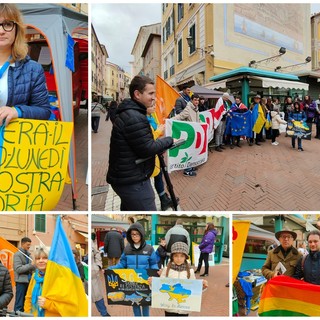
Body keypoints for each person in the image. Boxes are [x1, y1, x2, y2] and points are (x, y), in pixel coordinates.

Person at [107, 75, 173, 211]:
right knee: (148, 209)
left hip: (127, 177)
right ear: (137, 94)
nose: (154, 97)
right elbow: (148, 148)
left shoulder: (132, 114)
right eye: (150, 93)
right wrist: (170, 140)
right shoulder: (135, 117)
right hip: (132, 180)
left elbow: (141, 144)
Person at [0, 4, 51, 126]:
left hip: (11, 141)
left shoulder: (33, 69)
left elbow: (44, 111)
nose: (1, 31)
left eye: (7, 24)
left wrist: (17, 111)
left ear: (17, 29)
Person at [109, 222, 158, 317]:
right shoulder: (127, 249)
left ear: (142, 234)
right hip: (131, 282)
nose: (134, 236)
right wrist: (110, 269)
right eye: (132, 234)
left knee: (145, 305)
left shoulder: (149, 249)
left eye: (137, 234)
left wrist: (153, 276)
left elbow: (153, 264)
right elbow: (122, 264)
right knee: (135, 304)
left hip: (145, 282)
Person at [159, 242, 208, 316]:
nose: (179, 259)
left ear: (185, 257)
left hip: (184, 308)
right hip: (170, 307)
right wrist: (153, 283)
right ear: (172, 257)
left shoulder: (190, 271)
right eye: (176, 256)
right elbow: (160, 285)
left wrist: (202, 286)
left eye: (182, 256)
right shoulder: (167, 270)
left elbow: (194, 288)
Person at [146, 104, 174, 210]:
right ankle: (161, 200)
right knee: (151, 177)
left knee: (159, 175)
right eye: (151, 105)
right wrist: (158, 131)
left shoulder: (152, 116)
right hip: (150, 153)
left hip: (156, 150)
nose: (153, 107)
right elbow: (148, 138)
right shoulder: (143, 120)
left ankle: (163, 199)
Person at [24, 247, 60, 316]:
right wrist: (27, 314)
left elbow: (66, 306)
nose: (41, 261)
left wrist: (47, 304)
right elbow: (28, 298)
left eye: (45, 258)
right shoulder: (35, 276)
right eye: (38, 258)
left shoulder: (57, 277)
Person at [172, 93, 200, 177]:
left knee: (193, 151)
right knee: (189, 152)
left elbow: (198, 120)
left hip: (195, 133)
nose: (197, 102)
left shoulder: (196, 109)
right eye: (195, 100)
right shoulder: (188, 108)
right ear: (192, 100)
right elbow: (180, 116)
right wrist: (169, 120)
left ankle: (191, 166)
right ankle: (187, 170)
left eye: (198, 100)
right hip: (190, 134)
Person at [13, 237, 35, 312]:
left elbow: (32, 268)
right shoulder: (17, 255)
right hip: (21, 282)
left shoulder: (29, 256)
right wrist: (31, 265)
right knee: (19, 303)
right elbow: (18, 269)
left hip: (29, 281)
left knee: (27, 302)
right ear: (22, 244)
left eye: (30, 245)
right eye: (28, 245)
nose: (29, 246)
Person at [92, 234, 110, 316]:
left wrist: (98, 266)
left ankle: (104, 313)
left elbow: (97, 254)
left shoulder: (92, 244)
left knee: (97, 295)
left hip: (93, 273)